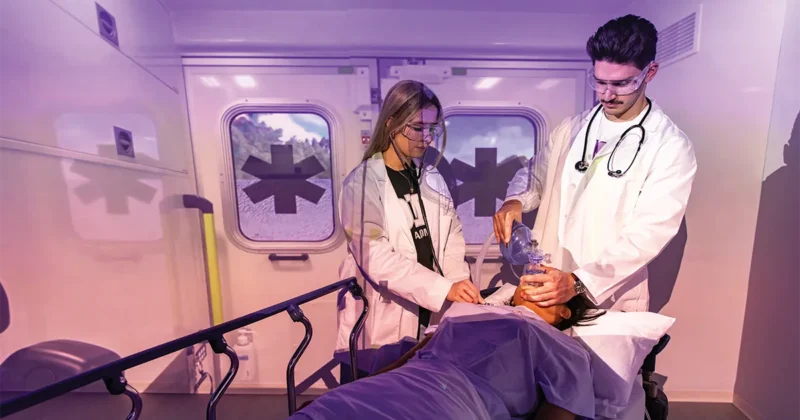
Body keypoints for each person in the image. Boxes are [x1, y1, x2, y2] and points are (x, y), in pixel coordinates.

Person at [493, 14, 697, 313]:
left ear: (650, 73)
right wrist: (515, 201)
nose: (607, 94)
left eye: (622, 84)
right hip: (546, 284)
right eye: (600, 82)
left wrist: (579, 281)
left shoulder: (669, 146)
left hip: (607, 297)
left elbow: (649, 233)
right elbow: (533, 175)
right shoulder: (572, 129)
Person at [299, 284, 604, 420]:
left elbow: (560, 409)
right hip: (406, 379)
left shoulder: (561, 345)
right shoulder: (470, 311)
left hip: (459, 398)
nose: (532, 276)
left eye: (546, 280)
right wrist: (347, 390)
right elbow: (412, 357)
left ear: (564, 311)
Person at [334, 80, 483, 355]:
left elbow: (452, 237)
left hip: (432, 310)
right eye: (417, 128)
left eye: (432, 128)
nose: (427, 138)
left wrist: (457, 286)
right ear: (391, 123)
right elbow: (375, 256)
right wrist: (442, 289)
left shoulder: (432, 178)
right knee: (385, 378)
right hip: (383, 318)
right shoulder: (362, 183)